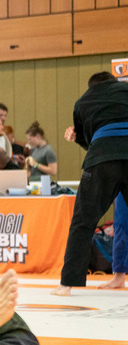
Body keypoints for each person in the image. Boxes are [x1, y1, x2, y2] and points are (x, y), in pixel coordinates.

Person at [55, 71, 128, 296]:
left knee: (83, 222)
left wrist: (76, 137)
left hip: (102, 159)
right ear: (113, 81)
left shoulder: (83, 101)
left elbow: (89, 141)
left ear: (91, 86)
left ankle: (66, 285)